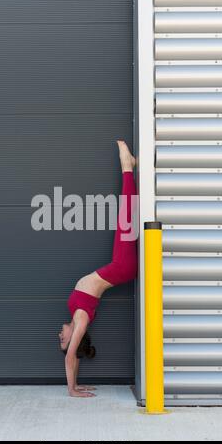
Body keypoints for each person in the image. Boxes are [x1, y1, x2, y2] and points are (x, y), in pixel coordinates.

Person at [58, 140, 138, 397]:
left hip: (119, 267)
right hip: (122, 267)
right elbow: (71, 356)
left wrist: (77, 382)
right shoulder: (81, 319)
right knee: (127, 218)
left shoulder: (77, 316)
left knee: (127, 221)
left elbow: (74, 356)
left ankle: (129, 167)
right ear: (74, 339)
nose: (59, 335)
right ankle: (128, 166)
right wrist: (72, 389)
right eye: (63, 340)